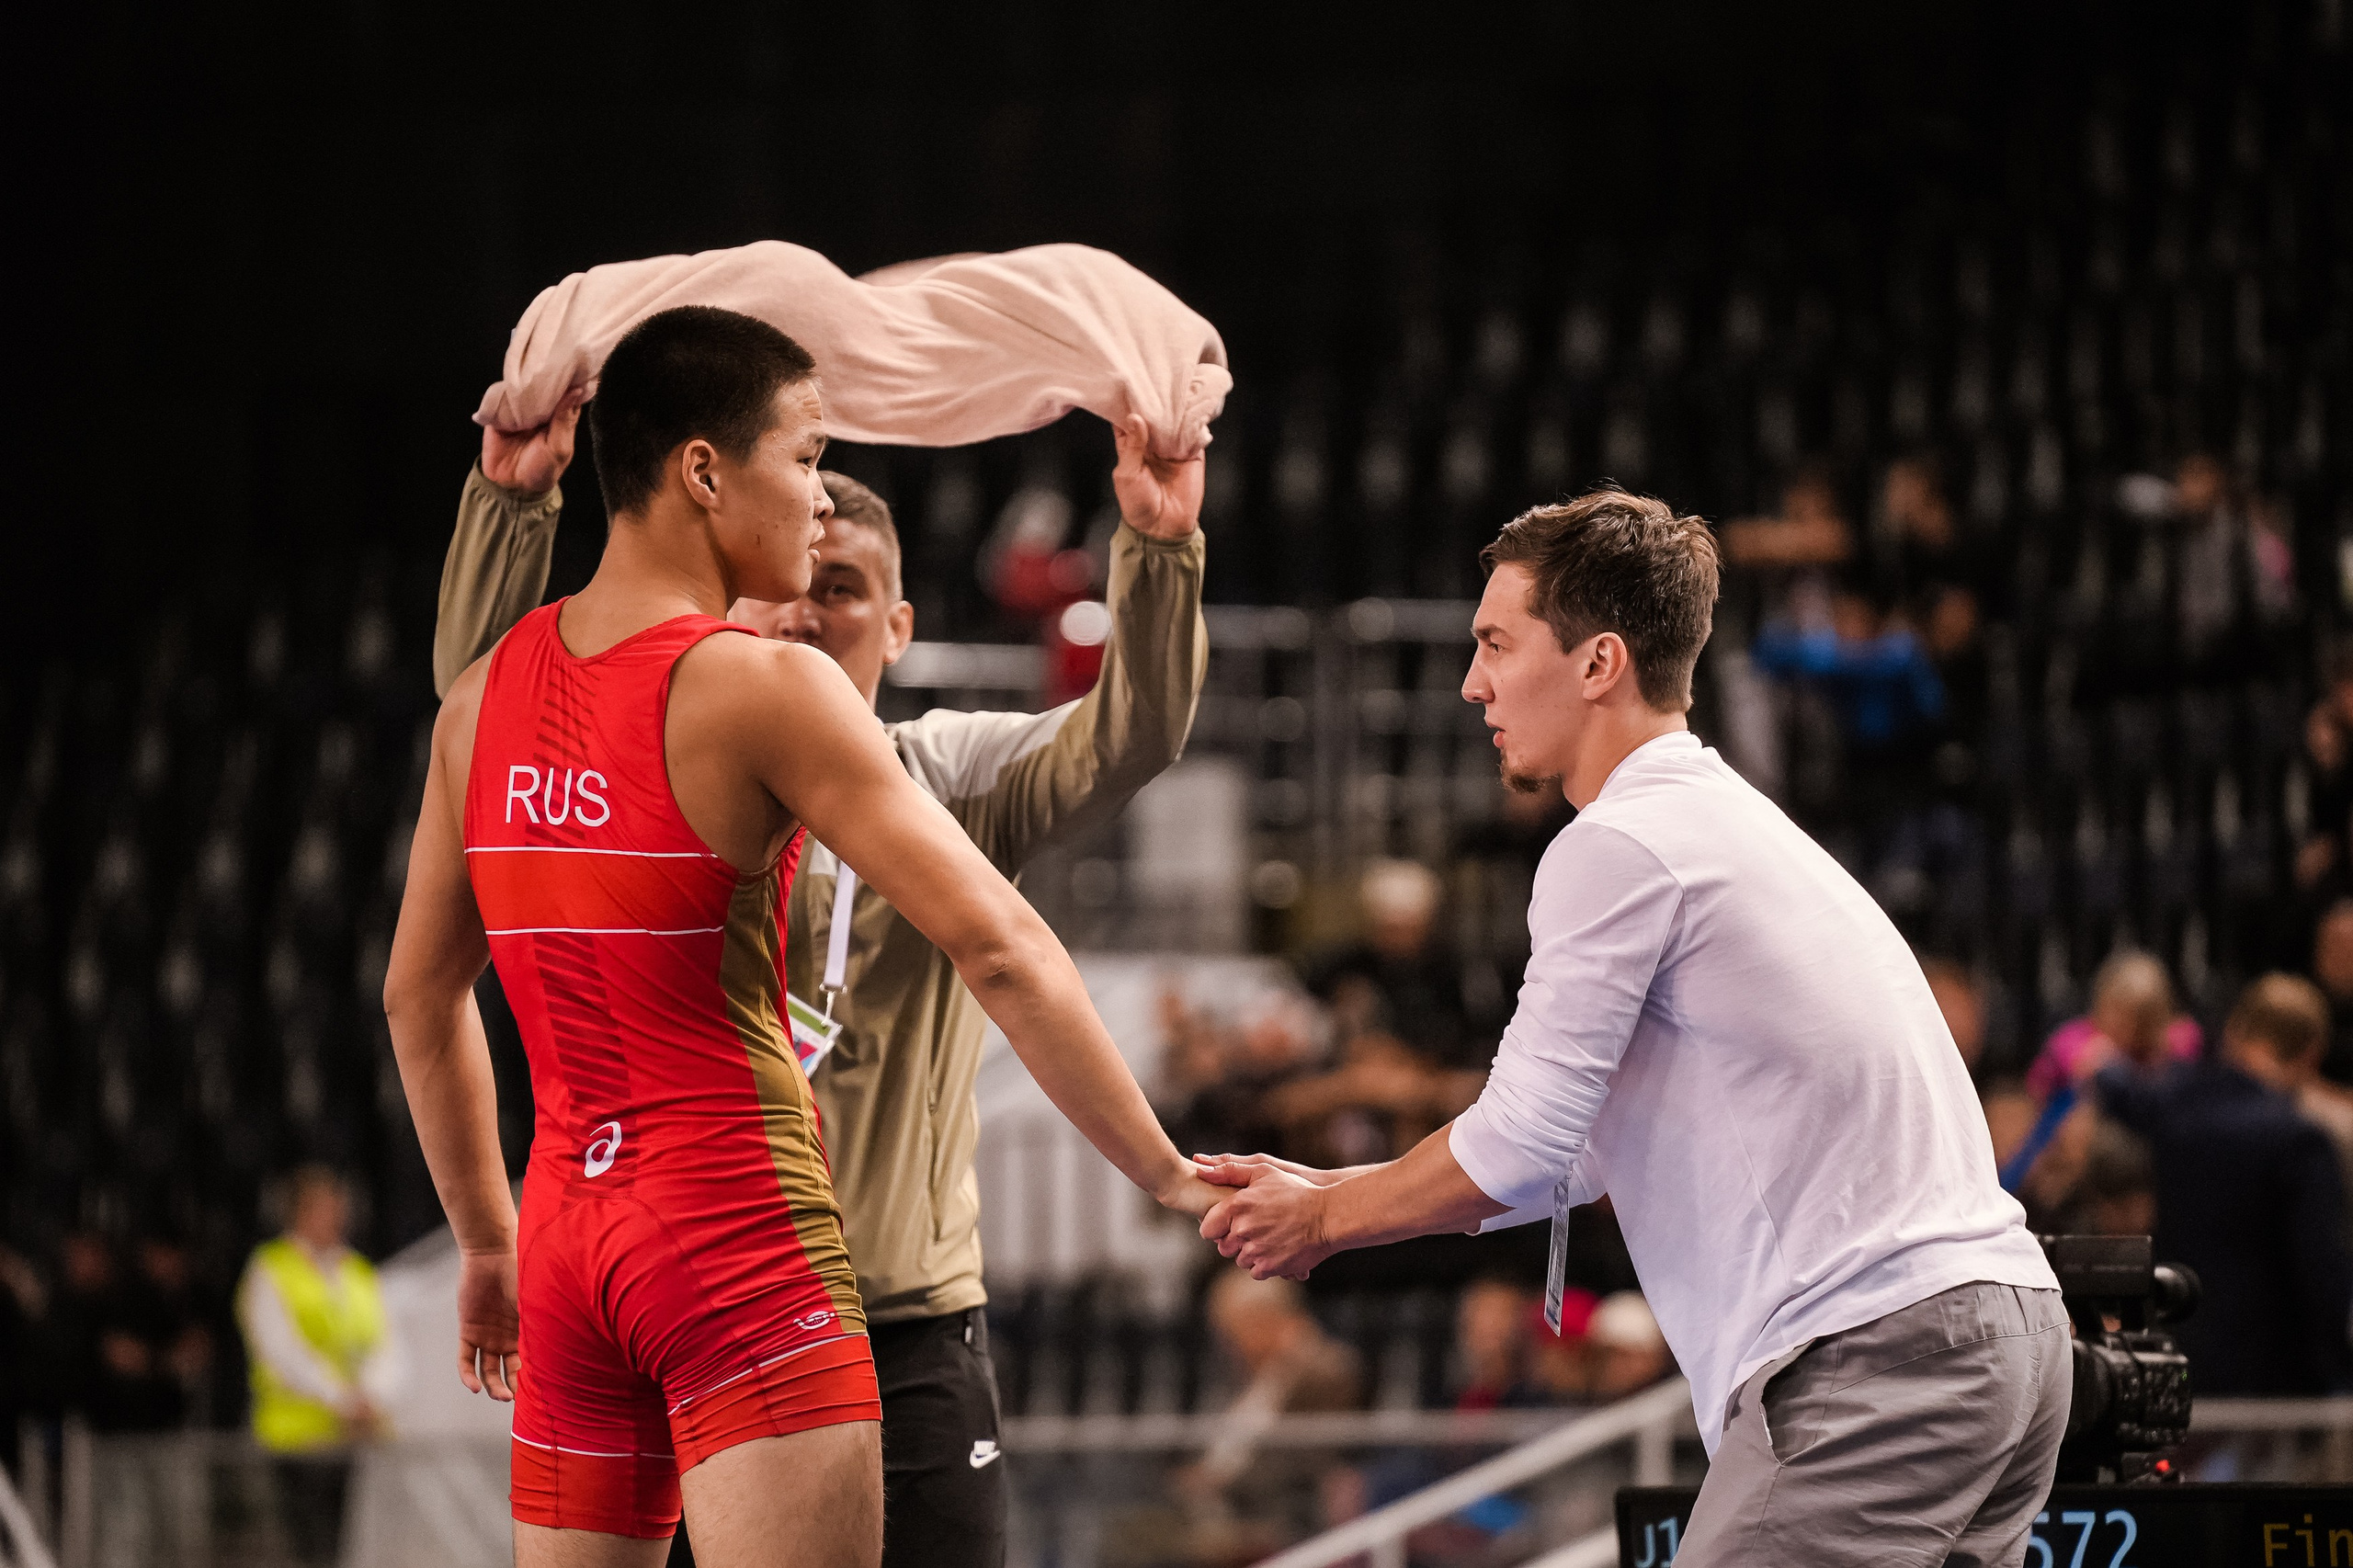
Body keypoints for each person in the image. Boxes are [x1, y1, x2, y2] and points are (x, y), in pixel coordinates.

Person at [385, 305, 1219, 1568]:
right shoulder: (765, 686)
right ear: (706, 471)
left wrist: (490, 1241)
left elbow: (417, 997)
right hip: (731, 1238)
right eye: (807, 455)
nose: (819, 498)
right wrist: (1166, 1171)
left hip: (563, 1248)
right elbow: (1000, 948)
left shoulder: (477, 697)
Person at [1199, 487, 2064, 1567]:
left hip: (1880, 1350)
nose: (1471, 683)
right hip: (2002, 1339)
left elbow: (1516, 1144)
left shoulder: (1621, 844)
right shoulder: (1724, 822)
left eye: (1495, 643)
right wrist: (1334, 1189)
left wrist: (1325, 1226)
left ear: (1598, 662)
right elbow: (1568, 1154)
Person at [2093, 973, 2353, 1394]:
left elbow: (2113, 1087)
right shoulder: (2301, 1141)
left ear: (2234, 1032)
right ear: (2311, 1055)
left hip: (2181, 1361)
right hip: (2275, 1389)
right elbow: (2320, 1273)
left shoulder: (2172, 1108)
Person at [237, 1168, 395, 1565]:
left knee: (344, 1549)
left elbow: (386, 1345)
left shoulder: (356, 1269)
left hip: (355, 1438)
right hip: (297, 1438)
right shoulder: (270, 1268)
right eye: (326, 1208)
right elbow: (282, 1352)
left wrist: (372, 1396)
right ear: (299, 1213)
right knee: (307, 1549)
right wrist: (343, 1400)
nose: (337, 1217)